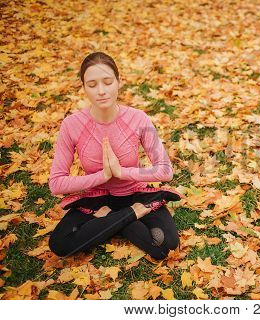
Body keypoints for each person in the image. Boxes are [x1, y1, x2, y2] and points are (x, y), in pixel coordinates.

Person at [48, 52, 182, 260]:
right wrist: (103, 176)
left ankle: (108, 222)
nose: (101, 91)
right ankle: (125, 216)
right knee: (60, 243)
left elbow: (165, 170)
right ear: (84, 87)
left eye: (108, 82)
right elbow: (56, 183)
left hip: (137, 194)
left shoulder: (138, 118)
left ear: (119, 82)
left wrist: (121, 172)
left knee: (167, 244)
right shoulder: (71, 125)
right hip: (96, 200)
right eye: (92, 85)